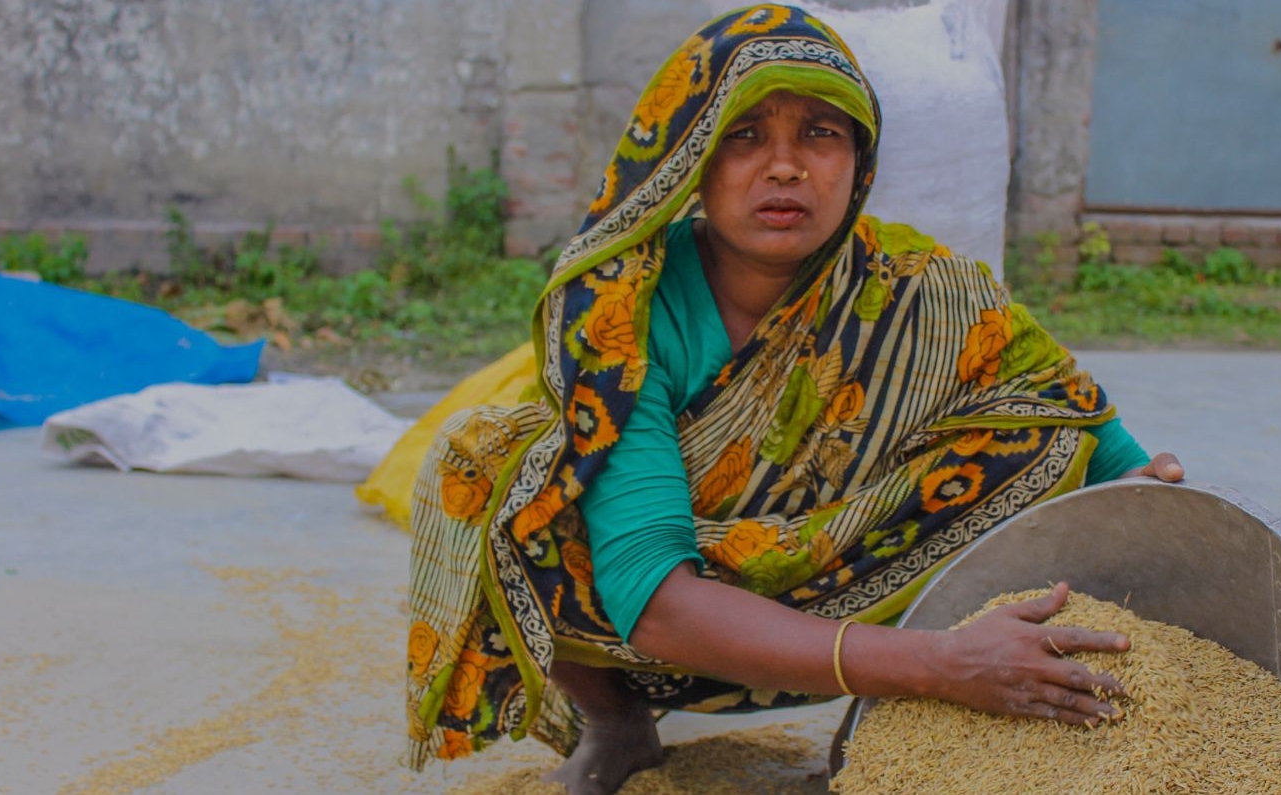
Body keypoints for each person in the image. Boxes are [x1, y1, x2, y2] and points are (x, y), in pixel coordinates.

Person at [402, 5, 1184, 794]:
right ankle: (618, 722)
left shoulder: (926, 293)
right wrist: (940, 665)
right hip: (665, 615)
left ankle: (892, 730)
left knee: (1042, 446)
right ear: (690, 156)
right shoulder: (622, 306)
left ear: (859, 159)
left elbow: (1099, 447)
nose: (784, 166)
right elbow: (657, 600)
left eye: (820, 133)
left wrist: (1155, 497)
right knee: (488, 472)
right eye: (744, 135)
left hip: (853, 573)